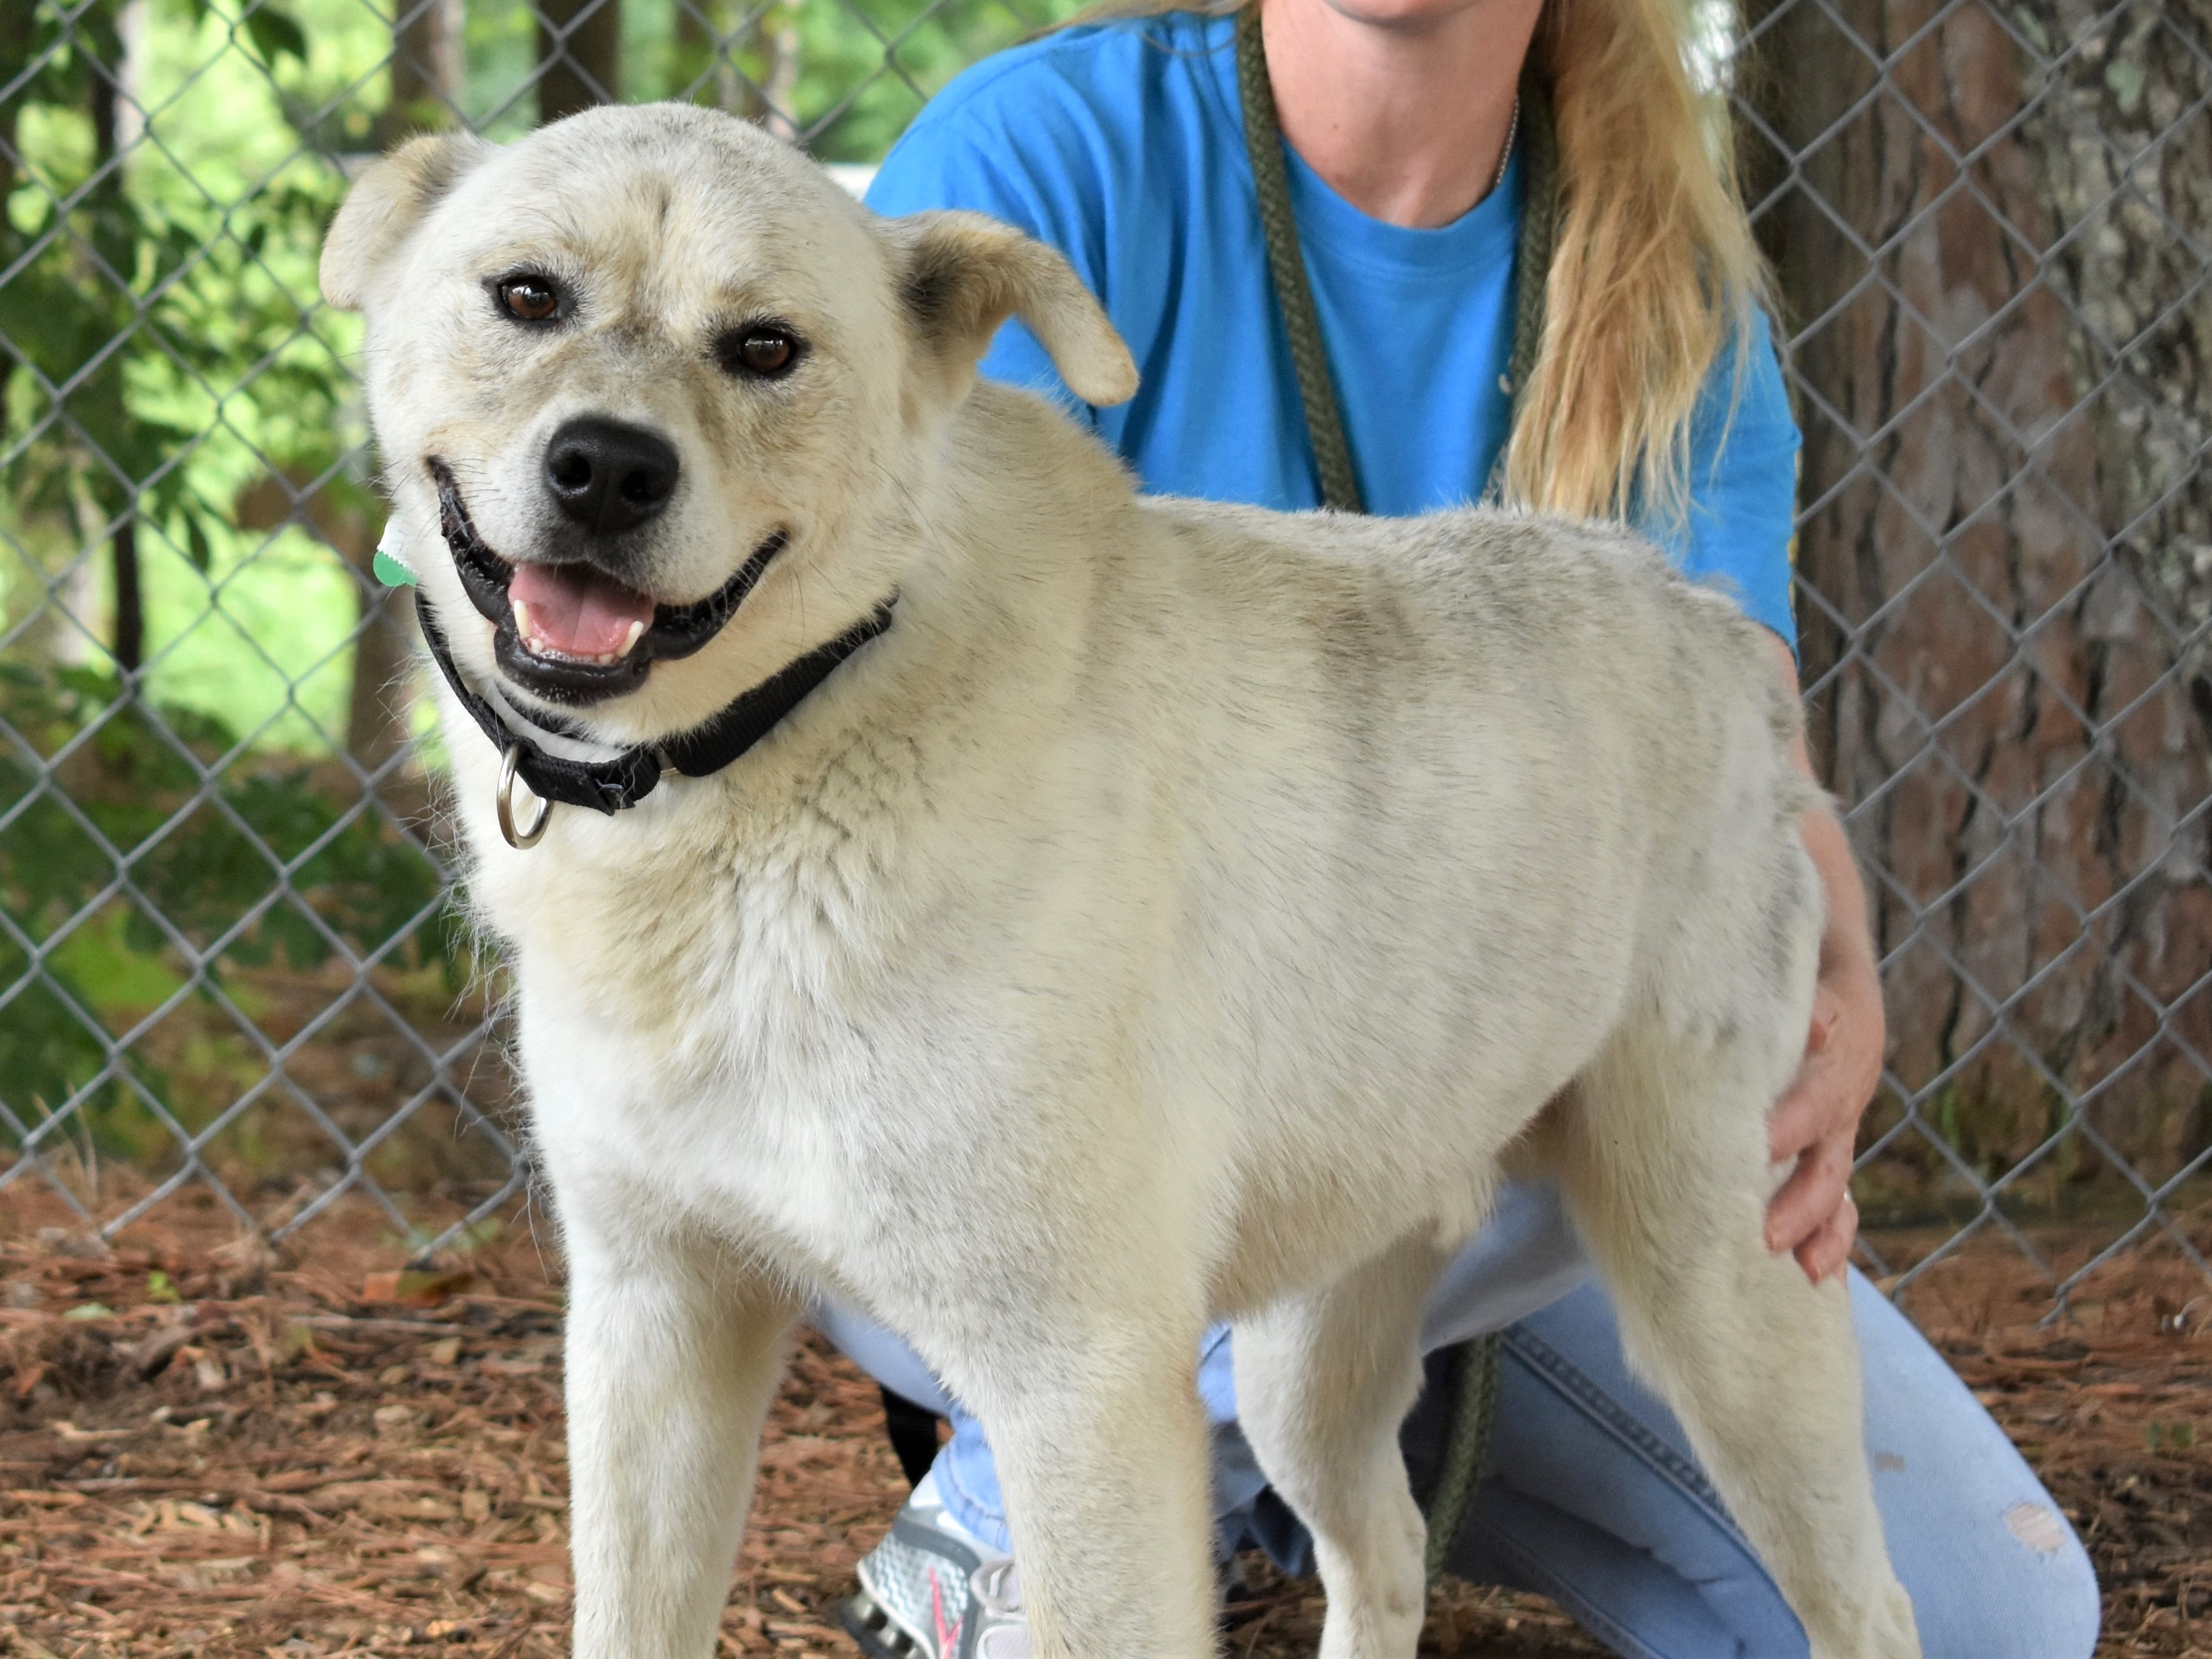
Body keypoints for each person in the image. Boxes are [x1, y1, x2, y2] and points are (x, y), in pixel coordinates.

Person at [816, 0, 2104, 1653]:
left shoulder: (1660, 270)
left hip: (1469, 1192)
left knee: (1994, 1623)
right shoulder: (1041, 160)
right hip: (1017, 1142)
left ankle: (1249, 1466)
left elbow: (1735, 766)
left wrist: (1822, 977)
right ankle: (1036, 1503)